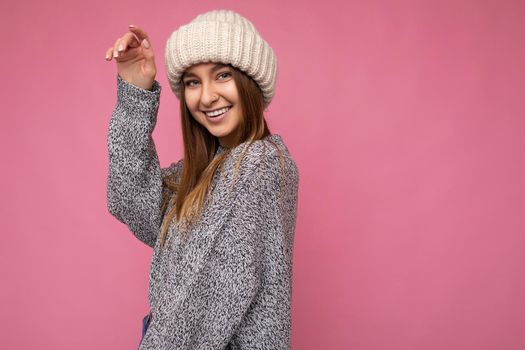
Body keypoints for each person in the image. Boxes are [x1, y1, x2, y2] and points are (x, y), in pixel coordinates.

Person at [104, 9, 299, 349]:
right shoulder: (207, 170)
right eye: (193, 81)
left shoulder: (257, 165)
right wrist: (135, 96)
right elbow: (131, 201)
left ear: (251, 81)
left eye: (222, 75)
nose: (206, 96)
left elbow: (200, 295)